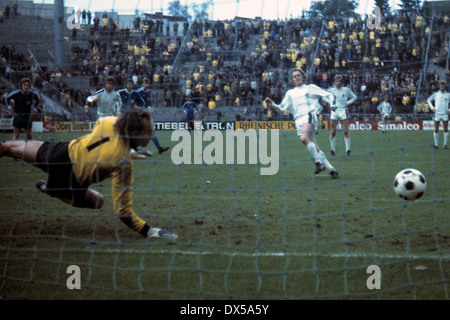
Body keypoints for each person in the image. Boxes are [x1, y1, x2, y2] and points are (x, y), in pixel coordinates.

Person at [0, 110, 178, 240]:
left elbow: (107, 145)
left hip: (61, 152)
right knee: (98, 201)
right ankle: (51, 190)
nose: (152, 135)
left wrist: (127, 149)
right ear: (135, 133)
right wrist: (148, 230)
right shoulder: (123, 163)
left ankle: (50, 187)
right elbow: (123, 212)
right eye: (149, 132)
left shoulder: (109, 122)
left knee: (9, 147)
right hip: (70, 180)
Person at [265, 68, 339, 179]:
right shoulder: (290, 93)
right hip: (298, 121)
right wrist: (271, 104)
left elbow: (329, 95)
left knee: (304, 138)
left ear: (304, 77)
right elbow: (280, 109)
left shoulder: (311, 88)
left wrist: (332, 105)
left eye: (299, 75)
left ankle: (318, 163)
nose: (297, 77)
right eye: (294, 76)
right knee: (315, 147)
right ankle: (332, 170)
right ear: (292, 80)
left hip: (309, 116)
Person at [135, 78, 170, 154]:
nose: (147, 85)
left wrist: (149, 108)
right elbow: (133, 102)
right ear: (142, 83)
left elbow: (148, 102)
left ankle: (159, 148)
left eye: (148, 83)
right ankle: (136, 147)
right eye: (145, 83)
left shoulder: (148, 91)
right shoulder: (137, 92)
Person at [327, 75, 357, 156]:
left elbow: (354, 97)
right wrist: (331, 105)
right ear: (334, 82)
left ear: (342, 82)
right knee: (333, 132)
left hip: (343, 111)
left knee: (346, 131)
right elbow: (324, 97)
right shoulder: (331, 90)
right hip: (334, 112)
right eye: (336, 81)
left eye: (339, 81)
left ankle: (348, 150)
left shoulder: (346, 90)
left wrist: (348, 103)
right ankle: (332, 151)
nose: (338, 83)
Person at [427, 80, 450, 149]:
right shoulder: (436, 94)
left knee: (445, 129)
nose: (442, 87)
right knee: (436, 129)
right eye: (441, 86)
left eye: (443, 86)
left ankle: (445, 144)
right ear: (439, 86)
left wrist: (449, 110)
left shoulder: (448, 95)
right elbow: (428, 100)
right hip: (437, 114)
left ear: (445, 87)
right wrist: (432, 108)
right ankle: (436, 145)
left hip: (445, 114)